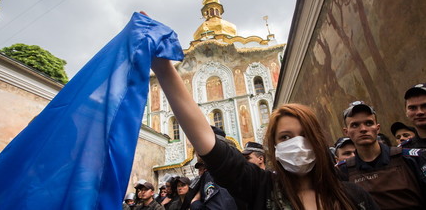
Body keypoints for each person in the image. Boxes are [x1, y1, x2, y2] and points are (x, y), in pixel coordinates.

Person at [152, 52, 378, 209]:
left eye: (305, 135)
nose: (297, 144)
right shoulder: (262, 189)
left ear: (318, 141)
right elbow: (207, 142)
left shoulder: (354, 197)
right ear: (275, 147)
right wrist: (163, 68)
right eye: (286, 137)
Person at [338, 101, 426, 209]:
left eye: (369, 123)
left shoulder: (411, 159)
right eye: (355, 125)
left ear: (377, 128)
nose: (363, 129)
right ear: (346, 132)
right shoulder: (343, 171)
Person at [402, 83, 426, 148]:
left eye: (425, 106)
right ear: (406, 112)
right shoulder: (404, 151)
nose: (419, 112)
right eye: (412, 108)